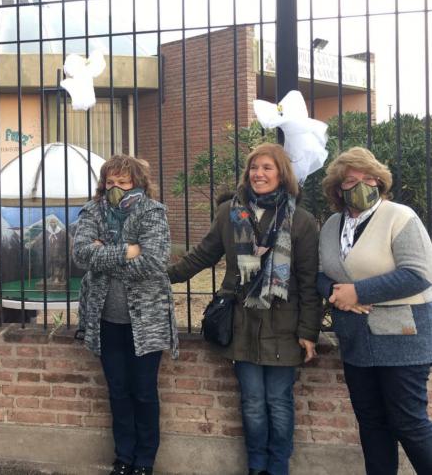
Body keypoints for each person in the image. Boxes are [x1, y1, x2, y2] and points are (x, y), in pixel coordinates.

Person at [167, 143, 321, 475]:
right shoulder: (230, 214)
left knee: (278, 405)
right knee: (252, 404)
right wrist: (163, 277)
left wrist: (309, 332)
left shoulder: (302, 222)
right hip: (243, 325)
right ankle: (257, 467)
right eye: (254, 167)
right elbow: (201, 256)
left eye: (267, 167)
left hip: (284, 328)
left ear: (282, 174)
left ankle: (277, 467)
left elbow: (309, 282)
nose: (259, 174)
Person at [318, 147, 432, 475]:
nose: (362, 185)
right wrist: (335, 292)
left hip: (403, 339)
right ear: (338, 189)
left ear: (379, 181)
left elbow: (418, 273)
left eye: (369, 178)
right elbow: (319, 273)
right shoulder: (331, 226)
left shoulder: (400, 216)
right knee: (371, 424)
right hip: (356, 342)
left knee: (409, 423)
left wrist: (359, 291)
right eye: (351, 180)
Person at [72, 154, 178, 475]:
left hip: (146, 322)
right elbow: (81, 253)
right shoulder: (92, 211)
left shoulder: (152, 212)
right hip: (106, 322)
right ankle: (124, 457)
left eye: (123, 181)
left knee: (144, 392)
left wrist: (104, 251)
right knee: (117, 391)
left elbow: (155, 261)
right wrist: (128, 250)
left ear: (138, 183)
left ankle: (145, 460)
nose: (115, 187)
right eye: (110, 182)